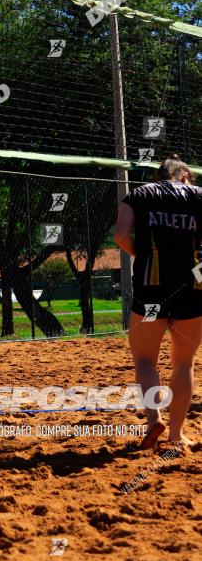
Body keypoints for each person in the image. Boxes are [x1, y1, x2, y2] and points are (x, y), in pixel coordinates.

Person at [114, 154, 202, 451]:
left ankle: (154, 421)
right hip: (191, 289)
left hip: (150, 288)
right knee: (183, 363)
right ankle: (176, 435)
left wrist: (142, 257)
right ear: (186, 176)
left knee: (144, 360)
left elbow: (121, 235)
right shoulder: (198, 196)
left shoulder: (139, 194)